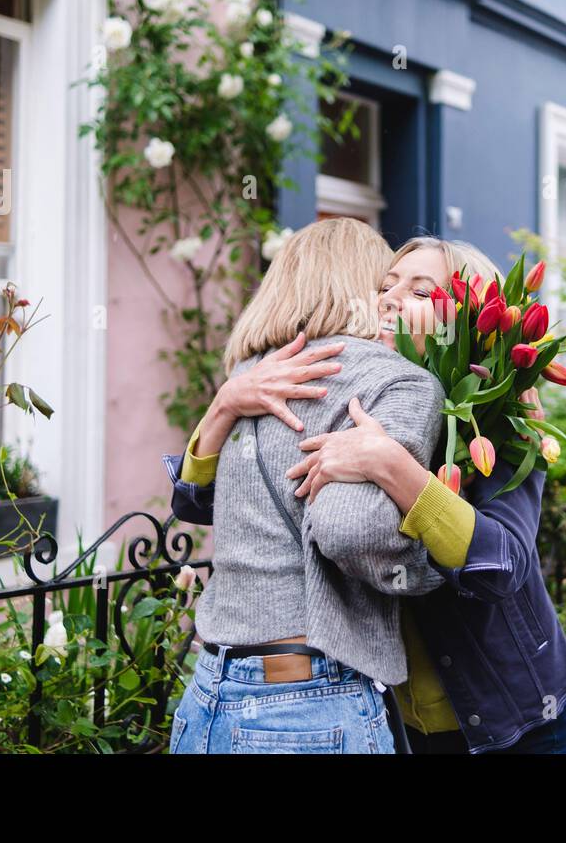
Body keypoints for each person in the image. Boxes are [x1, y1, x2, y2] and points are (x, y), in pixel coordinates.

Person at [167, 235, 566, 754]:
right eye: (385, 287)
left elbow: (501, 565)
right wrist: (224, 404)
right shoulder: (363, 399)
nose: (389, 298)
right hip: (401, 724)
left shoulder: (497, 428)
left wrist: (391, 466)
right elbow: (203, 506)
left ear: (470, 316)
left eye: (419, 291)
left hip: (515, 720)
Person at [162, 218, 446, 754]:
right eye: (384, 282)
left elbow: (198, 501)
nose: (389, 297)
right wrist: (433, 574)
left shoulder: (251, 375)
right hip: (308, 701)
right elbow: (347, 532)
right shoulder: (393, 379)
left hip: (206, 695)